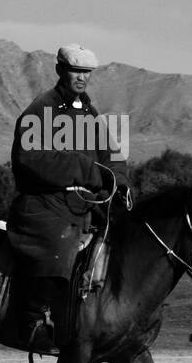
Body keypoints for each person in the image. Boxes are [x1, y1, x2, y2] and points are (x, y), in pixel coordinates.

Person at [7, 44, 130, 347]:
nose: (82, 78)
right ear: (61, 70)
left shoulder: (90, 113)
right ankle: (33, 319)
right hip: (44, 203)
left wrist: (120, 183)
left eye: (87, 73)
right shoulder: (42, 109)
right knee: (60, 245)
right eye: (76, 71)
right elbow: (30, 159)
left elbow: (112, 157)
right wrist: (88, 170)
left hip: (84, 203)